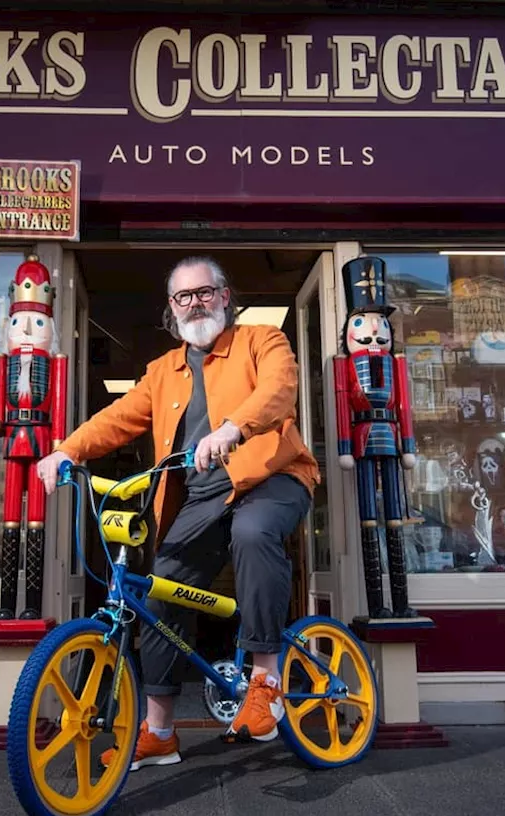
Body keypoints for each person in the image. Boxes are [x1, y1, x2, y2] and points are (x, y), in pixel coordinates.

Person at [36, 256, 320, 769]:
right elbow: (117, 419)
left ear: (225, 295)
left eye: (205, 292)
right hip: (202, 496)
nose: (196, 303)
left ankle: (266, 682)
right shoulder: (161, 372)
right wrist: (67, 451)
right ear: (171, 308)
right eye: (184, 297)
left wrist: (234, 428)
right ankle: (160, 731)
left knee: (254, 534)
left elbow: (278, 390)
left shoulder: (261, 340)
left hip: (273, 477)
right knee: (163, 584)